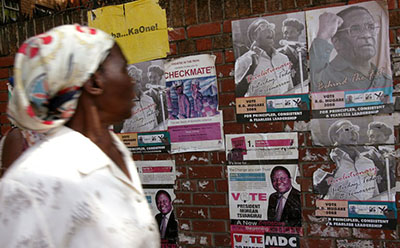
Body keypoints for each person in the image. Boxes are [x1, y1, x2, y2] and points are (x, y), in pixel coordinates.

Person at [0, 25, 160, 248]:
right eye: (123, 68)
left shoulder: (115, 149)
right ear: (94, 82)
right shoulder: (32, 182)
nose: (132, 80)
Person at [309, 6, 392, 92]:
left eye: (371, 27)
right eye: (355, 29)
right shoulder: (327, 76)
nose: (367, 35)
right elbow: (316, 90)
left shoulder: (384, 80)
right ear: (337, 42)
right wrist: (323, 36)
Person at [235, 18, 293, 97]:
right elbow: (238, 94)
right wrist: (252, 68)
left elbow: (290, 89)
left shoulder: (284, 58)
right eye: (264, 27)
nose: (270, 31)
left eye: (271, 27)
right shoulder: (243, 61)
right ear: (254, 36)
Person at [326, 120, 380, 200]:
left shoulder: (368, 162)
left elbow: (375, 194)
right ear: (335, 138)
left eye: (354, 129)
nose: (354, 133)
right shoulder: (329, 162)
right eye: (347, 130)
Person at [121, 65, 158, 133]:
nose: (137, 84)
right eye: (133, 81)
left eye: (138, 81)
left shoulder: (149, 99)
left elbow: (155, 122)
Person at [366, 122, 396, 193]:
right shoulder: (365, 156)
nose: (375, 139)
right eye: (372, 136)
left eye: (378, 136)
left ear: (386, 137)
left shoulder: (393, 153)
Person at [278, 18, 308, 87]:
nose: (288, 35)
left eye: (292, 32)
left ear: (299, 33)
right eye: (286, 33)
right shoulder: (279, 53)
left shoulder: (306, 50)